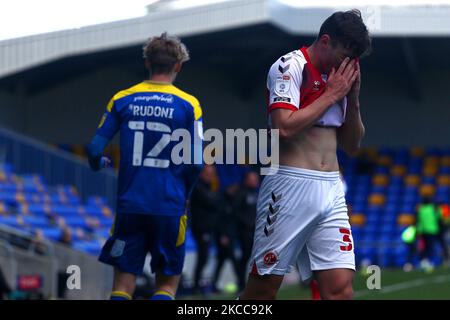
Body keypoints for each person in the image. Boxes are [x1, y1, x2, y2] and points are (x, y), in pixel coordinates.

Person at [240, 10, 371, 300]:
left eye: (354, 59)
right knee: (263, 289)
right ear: (326, 41)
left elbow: (351, 146)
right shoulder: (290, 66)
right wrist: (332, 95)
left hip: (331, 189)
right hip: (288, 188)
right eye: (344, 55)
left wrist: (353, 98)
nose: (347, 64)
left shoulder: (340, 80)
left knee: (339, 290)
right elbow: (283, 128)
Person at [87, 32, 204, 300]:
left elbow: (94, 149)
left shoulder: (122, 99)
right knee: (166, 286)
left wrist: (98, 164)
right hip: (170, 205)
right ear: (178, 66)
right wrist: (184, 194)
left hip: (131, 205)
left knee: (123, 285)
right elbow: (197, 162)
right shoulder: (189, 105)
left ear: (147, 63)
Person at [189, 165, 222, 293]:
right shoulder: (198, 187)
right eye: (208, 173)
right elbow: (213, 202)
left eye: (212, 174)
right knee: (203, 256)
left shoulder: (210, 188)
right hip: (201, 228)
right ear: (202, 174)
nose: (211, 176)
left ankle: (204, 283)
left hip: (211, 227)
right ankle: (196, 285)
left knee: (208, 256)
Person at [232, 171, 260, 291]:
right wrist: (247, 224)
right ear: (246, 180)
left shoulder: (259, 193)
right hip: (245, 232)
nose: (255, 181)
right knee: (245, 257)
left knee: (259, 258)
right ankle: (240, 283)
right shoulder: (241, 193)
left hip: (258, 231)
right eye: (252, 179)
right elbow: (236, 212)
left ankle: (258, 283)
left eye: (256, 179)